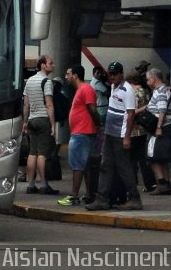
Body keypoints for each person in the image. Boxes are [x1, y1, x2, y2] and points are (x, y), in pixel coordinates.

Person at [86, 61, 143, 211]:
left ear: (121, 74)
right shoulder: (113, 87)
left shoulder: (127, 90)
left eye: (115, 74)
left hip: (119, 135)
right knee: (105, 165)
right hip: (110, 133)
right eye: (110, 74)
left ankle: (134, 197)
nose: (112, 77)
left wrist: (127, 137)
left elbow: (131, 114)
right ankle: (102, 198)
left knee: (123, 167)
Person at [58, 65, 98, 206]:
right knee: (84, 164)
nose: (66, 76)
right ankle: (88, 194)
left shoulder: (85, 89)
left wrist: (98, 124)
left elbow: (92, 109)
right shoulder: (81, 90)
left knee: (77, 165)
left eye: (68, 73)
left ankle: (74, 195)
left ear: (75, 75)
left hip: (83, 133)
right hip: (81, 132)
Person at [22, 55, 59, 195]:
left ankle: (31, 184)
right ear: (43, 65)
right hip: (43, 119)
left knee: (32, 153)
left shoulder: (29, 81)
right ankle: (44, 184)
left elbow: (26, 103)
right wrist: (52, 124)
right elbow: (49, 104)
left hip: (31, 119)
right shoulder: (47, 81)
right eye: (50, 63)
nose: (53, 65)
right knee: (42, 154)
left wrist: (25, 122)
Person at [139, 68, 171, 195]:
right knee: (160, 157)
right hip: (163, 127)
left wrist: (159, 127)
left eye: (148, 79)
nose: (147, 82)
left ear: (154, 78)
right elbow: (150, 106)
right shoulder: (161, 90)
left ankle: (162, 184)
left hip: (161, 128)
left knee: (152, 156)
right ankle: (165, 183)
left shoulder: (160, 92)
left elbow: (162, 110)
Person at [125, 71, 157, 193]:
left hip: (133, 129)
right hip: (142, 128)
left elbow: (131, 111)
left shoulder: (133, 92)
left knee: (131, 158)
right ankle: (150, 183)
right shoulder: (143, 91)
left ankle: (132, 182)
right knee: (143, 158)